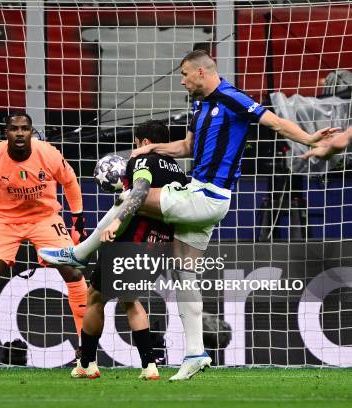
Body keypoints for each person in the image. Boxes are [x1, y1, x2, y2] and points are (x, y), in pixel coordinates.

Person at [40, 50, 341, 381]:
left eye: (185, 74)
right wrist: (149, 149)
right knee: (185, 275)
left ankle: (80, 253)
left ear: (201, 72)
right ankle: (196, 352)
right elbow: (186, 147)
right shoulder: (199, 108)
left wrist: (309, 138)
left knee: (130, 196)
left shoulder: (232, 97)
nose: (181, 81)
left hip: (207, 196)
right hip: (201, 199)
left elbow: (276, 122)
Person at [0, 112, 88, 370]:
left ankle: (85, 347)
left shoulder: (48, 153)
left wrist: (77, 221)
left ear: (31, 132)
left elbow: (70, 182)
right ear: (6, 133)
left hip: (45, 218)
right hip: (5, 220)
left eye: (25, 128)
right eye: (14, 129)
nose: (20, 133)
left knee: (73, 271)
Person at [70, 120, 188, 381]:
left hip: (131, 242)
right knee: (128, 299)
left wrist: (116, 220)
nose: (134, 150)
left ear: (145, 143)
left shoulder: (142, 161)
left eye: (135, 144)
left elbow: (140, 191)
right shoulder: (179, 172)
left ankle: (87, 363)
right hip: (160, 247)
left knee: (95, 297)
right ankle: (150, 366)